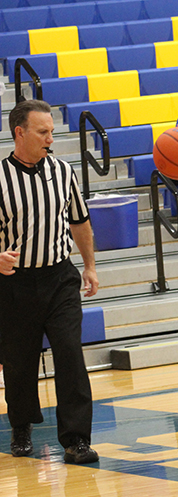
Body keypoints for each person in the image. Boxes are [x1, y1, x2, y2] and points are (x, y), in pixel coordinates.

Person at [0, 100, 100, 464]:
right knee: (18, 361)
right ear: (19, 133)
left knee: (71, 354)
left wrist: (89, 267)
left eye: (52, 132)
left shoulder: (62, 170)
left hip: (60, 277)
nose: (50, 140)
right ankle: (22, 426)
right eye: (43, 133)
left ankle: (76, 440)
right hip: (14, 283)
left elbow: (80, 222)